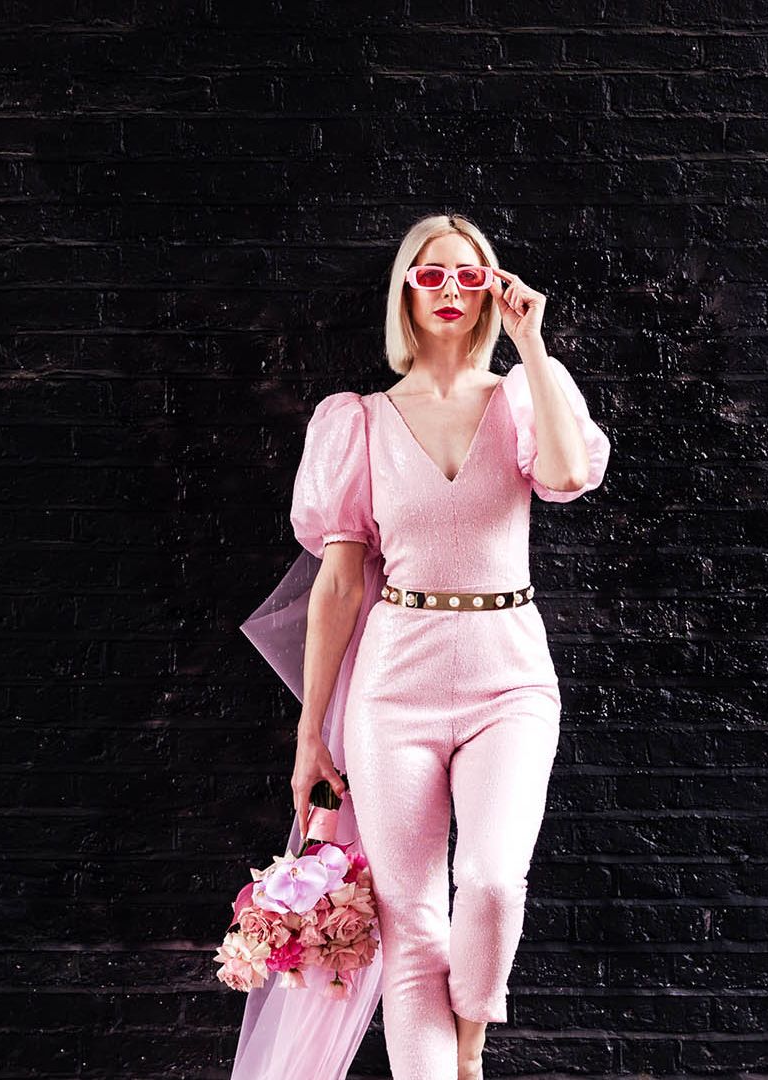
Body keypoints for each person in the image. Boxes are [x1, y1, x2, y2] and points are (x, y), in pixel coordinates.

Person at [231, 213, 611, 1080]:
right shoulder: (357, 422)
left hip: (509, 677)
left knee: (491, 881)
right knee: (410, 923)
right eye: (430, 274)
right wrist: (311, 732)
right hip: (393, 686)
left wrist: (532, 344)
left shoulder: (525, 394)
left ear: (492, 290)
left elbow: (564, 475)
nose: (449, 290)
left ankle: (470, 1043)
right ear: (405, 288)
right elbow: (337, 586)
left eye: (469, 276)